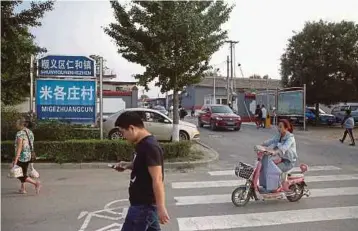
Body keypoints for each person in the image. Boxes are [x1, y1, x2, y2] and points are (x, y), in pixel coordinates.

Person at [113, 111, 169, 231]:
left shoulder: (150, 147)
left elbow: (157, 179)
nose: (123, 136)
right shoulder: (142, 144)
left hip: (144, 206)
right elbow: (143, 166)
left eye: (123, 132)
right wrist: (127, 165)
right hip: (142, 205)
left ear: (132, 128)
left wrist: (161, 207)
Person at [13, 117, 41, 194]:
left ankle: (36, 183)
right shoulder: (30, 132)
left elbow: (19, 147)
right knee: (23, 172)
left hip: (21, 157)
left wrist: (15, 159)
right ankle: (23, 189)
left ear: (20, 124)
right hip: (28, 156)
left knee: (18, 174)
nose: (16, 125)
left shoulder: (20, 133)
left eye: (16, 123)